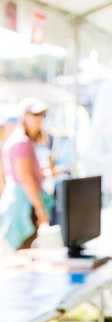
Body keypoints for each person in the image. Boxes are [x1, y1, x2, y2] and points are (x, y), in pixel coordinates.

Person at [0, 97, 55, 249]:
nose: (39, 119)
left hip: (19, 202)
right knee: (25, 258)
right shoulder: (21, 142)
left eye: (42, 115)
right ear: (24, 115)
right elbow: (24, 178)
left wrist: (44, 172)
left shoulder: (19, 140)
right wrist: (40, 210)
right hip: (23, 206)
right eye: (35, 114)